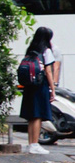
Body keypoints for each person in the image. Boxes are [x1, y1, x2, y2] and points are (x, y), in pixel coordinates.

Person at [20, 27, 57, 155]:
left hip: (30, 86)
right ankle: (35, 144)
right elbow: (48, 71)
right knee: (38, 115)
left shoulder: (30, 50)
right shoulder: (46, 51)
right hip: (40, 86)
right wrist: (53, 89)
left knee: (31, 115)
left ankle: (31, 144)